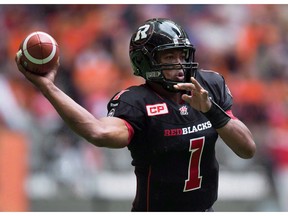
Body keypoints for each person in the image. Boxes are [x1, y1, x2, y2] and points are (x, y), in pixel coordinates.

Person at [15, 18, 256, 212]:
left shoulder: (209, 85)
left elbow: (247, 149)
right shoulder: (136, 101)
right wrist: (48, 87)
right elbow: (97, 132)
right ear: (146, 62)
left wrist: (211, 110)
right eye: (169, 57)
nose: (180, 65)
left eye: (182, 55)